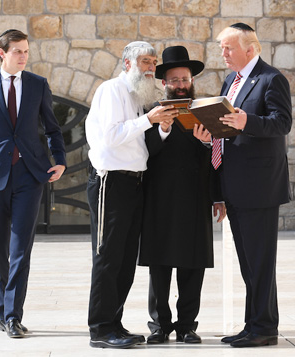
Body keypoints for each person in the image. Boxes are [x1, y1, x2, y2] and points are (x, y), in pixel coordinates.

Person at [194, 23, 292, 347]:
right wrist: (210, 135)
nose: (222, 53)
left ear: (250, 49)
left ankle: (264, 328)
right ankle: (253, 325)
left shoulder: (271, 79)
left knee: (261, 261)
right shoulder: (230, 82)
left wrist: (246, 121)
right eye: (221, 47)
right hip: (235, 185)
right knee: (249, 263)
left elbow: (282, 122)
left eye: (228, 47)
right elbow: (227, 130)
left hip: (260, 187)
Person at [0, 29, 66, 338]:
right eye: (17, 51)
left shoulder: (38, 85)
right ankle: (2, 312)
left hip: (30, 176)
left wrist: (59, 158)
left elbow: (52, 127)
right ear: (2, 52)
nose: (23, 56)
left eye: (25, 51)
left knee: (21, 249)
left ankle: (12, 315)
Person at [85, 41, 179, 349]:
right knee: (108, 257)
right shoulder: (112, 90)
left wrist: (159, 125)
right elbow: (111, 138)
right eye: (144, 61)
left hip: (134, 183)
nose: (151, 66)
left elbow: (139, 143)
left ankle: (114, 323)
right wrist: (148, 121)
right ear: (127, 64)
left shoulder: (139, 95)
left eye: (153, 61)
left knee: (125, 260)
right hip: (111, 183)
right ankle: (100, 328)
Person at [138, 46, 226, 344]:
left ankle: (187, 325)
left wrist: (205, 144)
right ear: (164, 83)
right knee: (159, 266)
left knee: (192, 264)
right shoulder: (151, 110)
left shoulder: (207, 109)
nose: (179, 84)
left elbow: (218, 160)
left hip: (195, 197)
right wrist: (161, 129)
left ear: (191, 80)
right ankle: (159, 326)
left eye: (184, 79)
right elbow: (143, 154)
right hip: (159, 198)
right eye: (174, 80)